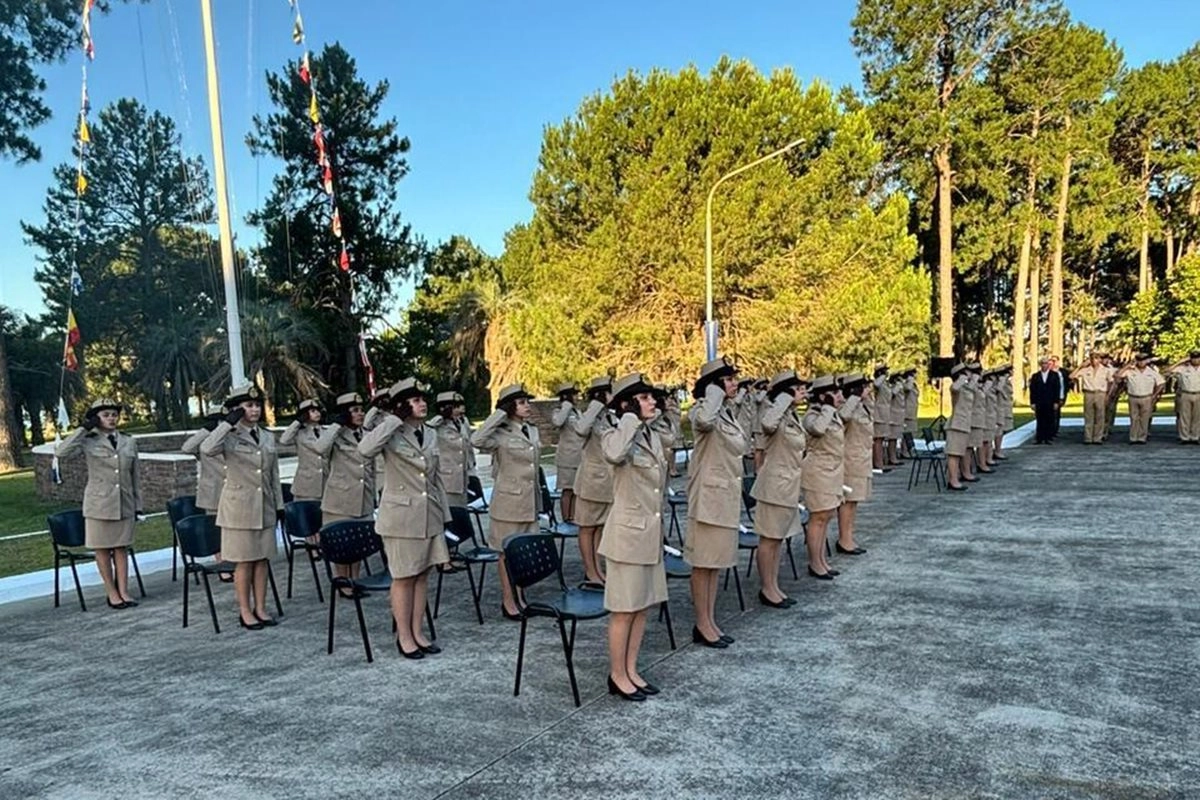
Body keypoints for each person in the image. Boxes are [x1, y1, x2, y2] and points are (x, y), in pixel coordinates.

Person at [359, 378, 451, 658]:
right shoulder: (390, 430)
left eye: (422, 399)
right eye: (414, 400)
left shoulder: (431, 433)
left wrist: (445, 516)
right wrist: (392, 421)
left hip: (428, 514)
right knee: (404, 577)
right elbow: (364, 449)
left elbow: (434, 479)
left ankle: (418, 631)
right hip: (401, 517)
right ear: (401, 406)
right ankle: (404, 637)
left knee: (422, 575)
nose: (421, 403)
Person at [598, 373, 669, 700]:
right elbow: (614, 454)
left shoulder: (650, 434)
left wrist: (639, 420)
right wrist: (627, 417)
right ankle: (617, 675)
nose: (653, 401)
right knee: (624, 609)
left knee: (642, 607)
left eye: (651, 396)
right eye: (644, 397)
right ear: (628, 404)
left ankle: (631, 669)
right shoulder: (615, 433)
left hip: (649, 533)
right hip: (627, 536)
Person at [201, 384, 284, 630]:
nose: (254, 409)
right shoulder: (228, 435)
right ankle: (245, 611)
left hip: (264, 506)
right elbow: (206, 449)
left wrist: (279, 505)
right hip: (239, 509)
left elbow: (274, 475)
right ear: (237, 409)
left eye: (257, 404)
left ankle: (260, 607)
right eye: (248, 405)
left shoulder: (266, 436)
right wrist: (227, 423)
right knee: (244, 562)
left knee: (262, 561)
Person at [57, 399, 142, 609]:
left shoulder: (128, 441)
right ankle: (111, 592)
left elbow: (135, 476)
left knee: (121, 548)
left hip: (124, 502)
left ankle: (123, 590)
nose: (111, 418)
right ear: (96, 418)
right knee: (102, 549)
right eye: (105, 415)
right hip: (99, 503)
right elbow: (61, 452)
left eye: (114, 414)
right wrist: (83, 429)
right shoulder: (88, 440)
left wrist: (138, 505)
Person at [686, 356, 748, 647]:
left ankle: (709, 620)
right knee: (703, 564)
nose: (734, 383)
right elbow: (703, 422)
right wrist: (712, 391)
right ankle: (702, 623)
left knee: (715, 564)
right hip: (709, 500)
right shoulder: (704, 410)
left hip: (724, 497)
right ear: (715, 385)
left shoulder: (726, 412)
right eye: (728, 379)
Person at [472, 383, 541, 619]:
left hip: (529, 501)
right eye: (521, 402)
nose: (527, 406)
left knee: (522, 554)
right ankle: (508, 601)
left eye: (526, 402)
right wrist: (500, 413)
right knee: (505, 554)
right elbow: (477, 439)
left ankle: (521, 596)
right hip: (508, 503)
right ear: (510, 406)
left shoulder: (530, 430)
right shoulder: (499, 434)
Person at [749, 371, 807, 608]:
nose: (804, 392)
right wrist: (783, 398)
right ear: (787, 391)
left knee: (779, 539)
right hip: (774, 486)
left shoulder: (791, 415)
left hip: (788, 485)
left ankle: (774, 585)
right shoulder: (774, 412)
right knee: (769, 539)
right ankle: (767, 588)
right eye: (799, 388)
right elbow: (768, 424)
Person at [315, 392, 377, 589]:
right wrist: (336, 425)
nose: (360, 414)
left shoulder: (367, 434)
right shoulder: (334, 434)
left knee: (357, 545)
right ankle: (343, 584)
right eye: (355, 411)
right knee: (341, 546)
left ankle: (355, 581)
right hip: (340, 500)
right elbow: (319, 448)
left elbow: (372, 467)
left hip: (363, 497)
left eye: (361, 410)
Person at [572, 377, 617, 586]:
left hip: (607, 482)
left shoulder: (609, 417)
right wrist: (596, 404)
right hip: (591, 482)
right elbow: (580, 429)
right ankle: (590, 571)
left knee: (599, 527)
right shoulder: (590, 415)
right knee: (587, 527)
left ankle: (598, 569)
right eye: (610, 392)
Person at [800, 376, 844, 579]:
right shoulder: (812, 415)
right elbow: (817, 430)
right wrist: (827, 407)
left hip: (832, 472)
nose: (840, 397)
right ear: (822, 396)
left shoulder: (830, 414)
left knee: (826, 517)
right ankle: (814, 563)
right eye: (835, 394)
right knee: (817, 518)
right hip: (818, 472)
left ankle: (822, 560)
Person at [836, 372, 872, 556]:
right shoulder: (846, 406)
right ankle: (844, 539)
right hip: (850, 461)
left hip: (861, 460)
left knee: (854, 502)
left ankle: (849, 536)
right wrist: (854, 397)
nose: (868, 389)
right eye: (864, 387)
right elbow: (843, 417)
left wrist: (861, 399)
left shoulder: (862, 406)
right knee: (847, 502)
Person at [427, 391, 475, 507]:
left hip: (462, 479)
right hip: (446, 479)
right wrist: (441, 416)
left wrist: (472, 471)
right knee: (450, 514)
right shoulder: (438, 425)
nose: (460, 410)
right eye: (455, 407)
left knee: (461, 513)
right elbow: (426, 429)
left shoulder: (462, 422)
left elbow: (469, 446)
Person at [278, 398, 327, 502]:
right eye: (313, 411)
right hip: (306, 485)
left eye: (318, 410)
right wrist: (298, 422)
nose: (317, 413)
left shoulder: (326, 432)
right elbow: (284, 440)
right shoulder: (300, 433)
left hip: (326, 482)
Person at [550, 382, 585, 523]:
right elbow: (557, 422)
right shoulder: (559, 411)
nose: (577, 397)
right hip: (567, 458)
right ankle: (566, 518)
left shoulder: (578, 412)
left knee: (577, 490)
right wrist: (566, 405)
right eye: (574, 394)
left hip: (580, 456)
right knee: (567, 490)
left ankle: (574, 516)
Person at [1117, 353, 1165, 444]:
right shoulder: (1130, 371)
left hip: (1146, 397)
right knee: (1133, 418)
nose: (1141, 362)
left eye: (1143, 360)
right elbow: (1118, 376)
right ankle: (1133, 437)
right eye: (1139, 360)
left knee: (1144, 418)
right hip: (1133, 397)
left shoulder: (1151, 372)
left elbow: (1161, 383)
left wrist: (1155, 395)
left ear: (1146, 361)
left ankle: (1142, 437)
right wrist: (1127, 366)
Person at [1072, 353, 1114, 445]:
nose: (1094, 360)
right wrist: (1080, 366)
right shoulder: (1085, 370)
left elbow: (1111, 382)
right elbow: (1071, 376)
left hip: (1100, 393)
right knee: (1088, 416)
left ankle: (1097, 438)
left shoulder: (1106, 370)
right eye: (1092, 358)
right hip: (1088, 393)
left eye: (1096, 358)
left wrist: (1108, 394)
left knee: (1100, 416)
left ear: (1099, 359)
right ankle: (1088, 438)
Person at [945, 363, 973, 490]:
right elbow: (954, 388)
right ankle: (952, 480)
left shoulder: (966, 388)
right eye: (966, 372)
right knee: (954, 454)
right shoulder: (956, 387)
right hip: (957, 424)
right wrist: (961, 379)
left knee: (959, 454)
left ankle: (957, 477)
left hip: (964, 423)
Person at [1166, 350, 1200, 444]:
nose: (1195, 360)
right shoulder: (1183, 369)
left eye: (1197, 358)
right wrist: (1181, 361)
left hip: (1198, 394)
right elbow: (1168, 370)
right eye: (1193, 358)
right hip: (1186, 393)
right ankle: (1184, 437)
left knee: (1197, 417)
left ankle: (1195, 437)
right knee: (1184, 416)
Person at [1028, 357, 1061, 445]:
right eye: (1043, 363)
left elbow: (1057, 389)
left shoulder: (1054, 375)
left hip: (1050, 401)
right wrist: (1032, 402)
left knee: (1049, 419)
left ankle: (1048, 438)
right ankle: (1039, 438)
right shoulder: (1035, 376)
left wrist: (1056, 402)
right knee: (1040, 419)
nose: (1044, 365)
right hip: (1039, 401)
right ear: (1040, 365)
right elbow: (1032, 390)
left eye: (1046, 363)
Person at [871, 364, 891, 470]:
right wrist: (882, 376)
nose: (886, 373)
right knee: (877, 439)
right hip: (878, 414)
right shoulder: (879, 382)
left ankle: (880, 461)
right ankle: (878, 463)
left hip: (885, 414)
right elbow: (876, 385)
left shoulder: (885, 383)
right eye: (884, 371)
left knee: (881, 439)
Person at [1049, 355, 1068, 440]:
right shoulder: (1048, 372)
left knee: (1057, 414)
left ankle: (1055, 430)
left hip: (1060, 395)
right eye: (1052, 361)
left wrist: (1063, 396)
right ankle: (1049, 431)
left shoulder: (1063, 372)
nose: (1054, 363)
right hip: (1049, 397)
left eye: (1055, 361)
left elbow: (1066, 383)